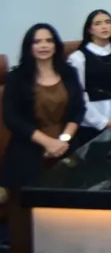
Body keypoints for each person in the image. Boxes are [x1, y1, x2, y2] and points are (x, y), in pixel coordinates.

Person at [1, 24, 85, 253]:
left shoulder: (69, 72)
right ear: (29, 47)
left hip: (66, 148)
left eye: (48, 40)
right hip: (27, 151)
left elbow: (78, 110)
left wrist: (64, 140)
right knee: (28, 223)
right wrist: (49, 143)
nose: (44, 45)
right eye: (37, 41)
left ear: (56, 45)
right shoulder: (16, 77)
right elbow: (12, 118)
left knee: (67, 220)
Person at [68, 10, 111, 137]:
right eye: (98, 23)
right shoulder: (78, 58)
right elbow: (77, 95)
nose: (104, 26)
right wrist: (101, 122)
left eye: (108, 22)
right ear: (89, 30)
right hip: (90, 122)